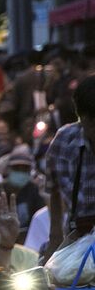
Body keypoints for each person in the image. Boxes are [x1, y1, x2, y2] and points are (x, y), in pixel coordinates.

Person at [46, 73, 94, 231]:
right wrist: (55, 238)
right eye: (92, 125)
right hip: (78, 238)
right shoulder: (64, 142)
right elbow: (54, 193)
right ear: (81, 118)